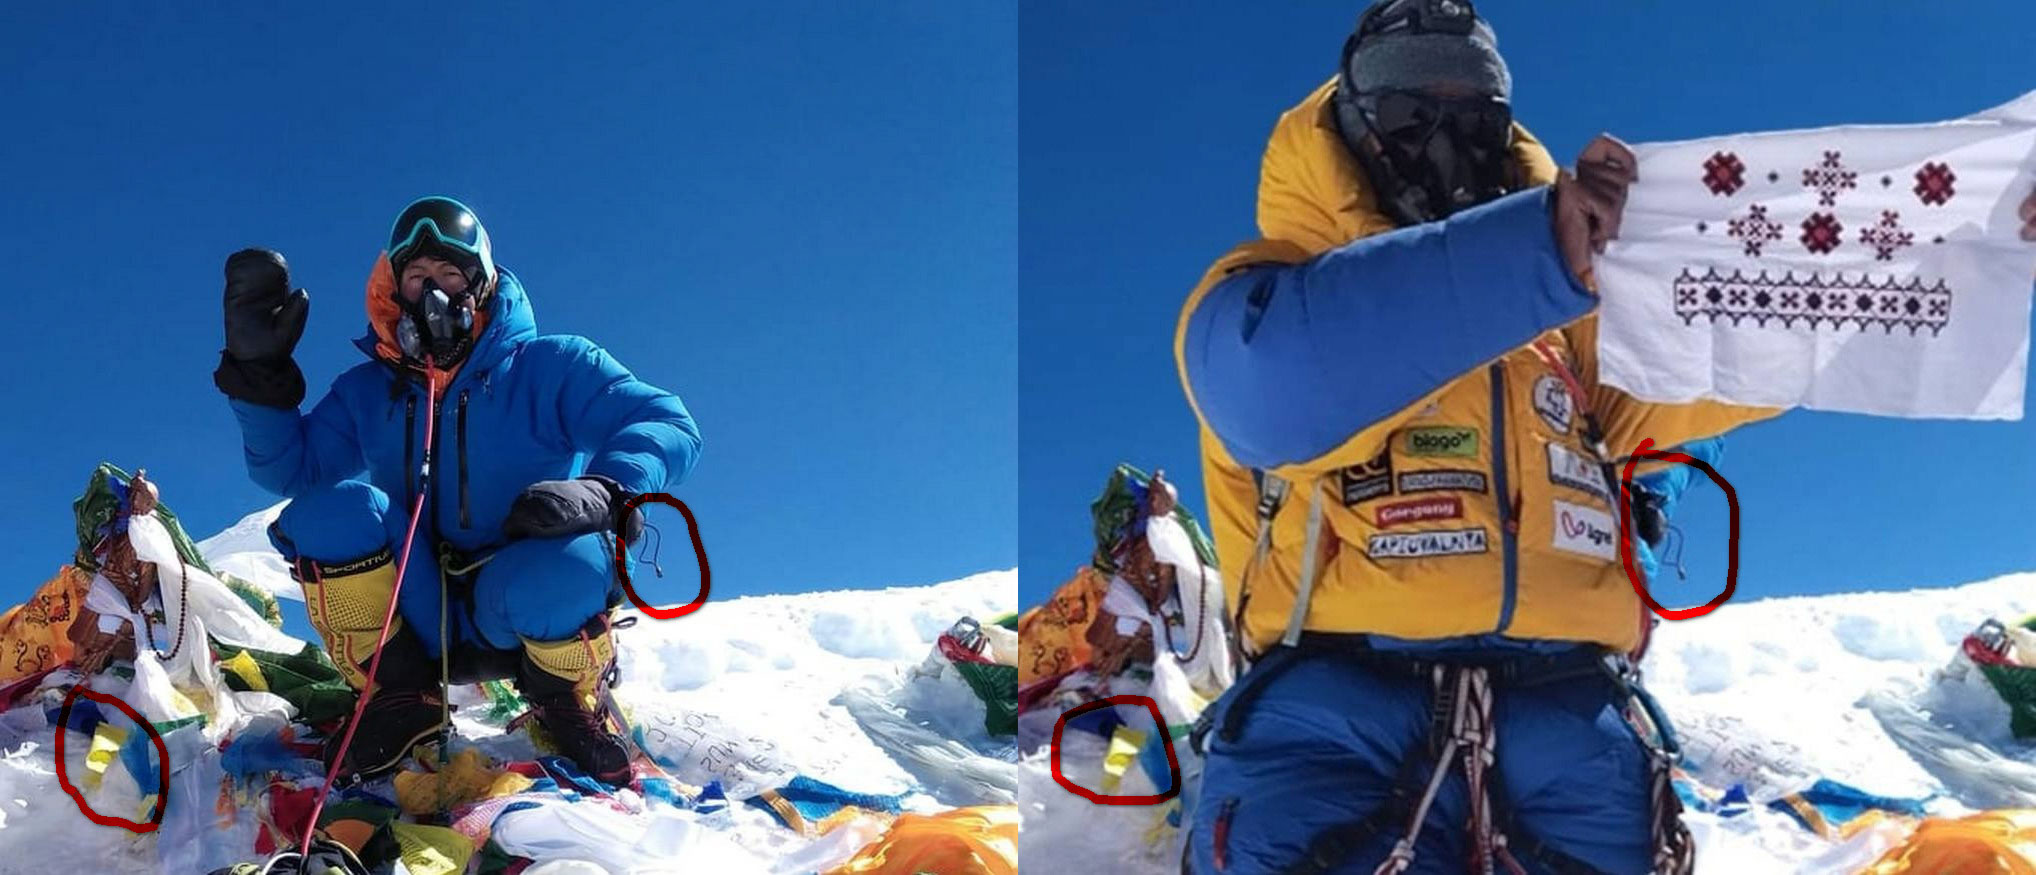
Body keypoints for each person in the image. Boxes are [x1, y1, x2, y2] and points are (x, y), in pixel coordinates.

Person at [1171, 2, 1789, 872]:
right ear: (1354, 128)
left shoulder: (1568, 331)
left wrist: (1917, 268)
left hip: (1571, 707)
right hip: (1337, 709)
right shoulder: (1263, 297)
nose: (1445, 146)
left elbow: (1724, 355)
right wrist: (1538, 252)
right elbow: (1281, 386)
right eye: (1409, 118)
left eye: (1476, 122)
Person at [212, 196, 701, 786]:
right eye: (417, 275)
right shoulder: (368, 390)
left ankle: (563, 697)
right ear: (395, 289)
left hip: (516, 593)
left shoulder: (550, 366)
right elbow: (290, 470)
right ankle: (400, 697)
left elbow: (666, 420)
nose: (433, 291)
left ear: (483, 285)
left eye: (450, 273)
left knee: (574, 557)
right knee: (329, 513)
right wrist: (257, 379)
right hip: (418, 604)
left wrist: (609, 489)